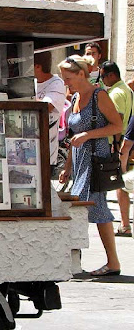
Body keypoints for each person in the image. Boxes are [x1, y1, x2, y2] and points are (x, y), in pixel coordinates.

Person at [58, 55, 122, 277]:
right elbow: (74, 135)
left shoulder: (99, 95)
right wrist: (67, 166)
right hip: (80, 160)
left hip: (95, 159)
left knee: (96, 207)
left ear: (81, 74)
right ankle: (75, 261)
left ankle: (112, 262)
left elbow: (117, 125)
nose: (65, 82)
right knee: (82, 209)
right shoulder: (75, 96)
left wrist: (88, 135)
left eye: (68, 78)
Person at [99, 61, 134, 237]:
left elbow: (117, 121)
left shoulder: (117, 93)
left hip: (117, 144)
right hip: (124, 143)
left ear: (112, 75)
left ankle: (125, 224)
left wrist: (117, 146)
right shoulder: (126, 90)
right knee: (123, 185)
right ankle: (125, 224)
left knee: (119, 184)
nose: (102, 80)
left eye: (103, 76)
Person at [34, 51, 67, 173]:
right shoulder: (32, 83)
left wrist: (25, 100)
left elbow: (46, 106)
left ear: (38, 66)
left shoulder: (57, 84)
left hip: (46, 151)